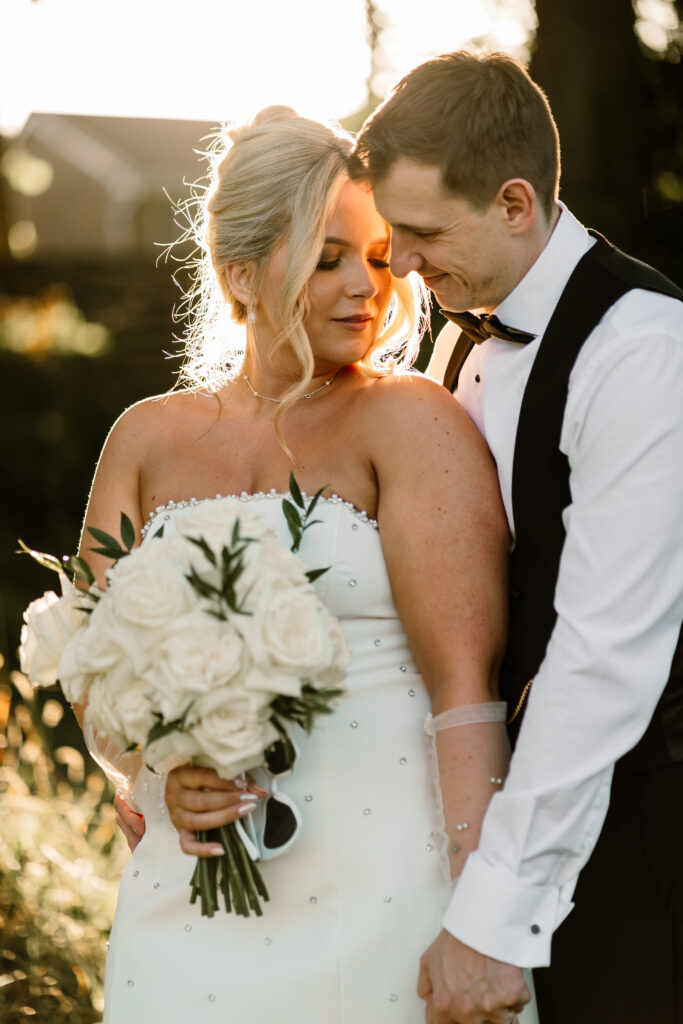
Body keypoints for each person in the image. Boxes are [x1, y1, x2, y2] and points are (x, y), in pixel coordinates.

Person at [78, 107, 535, 1023]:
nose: (366, 287)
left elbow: (464, 689)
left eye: (376, 257)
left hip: (386, 885)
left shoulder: (412, 421)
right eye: (328, 257)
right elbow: (95, 673)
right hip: (190, 885)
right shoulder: (145, 438)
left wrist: (482, 919)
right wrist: (158, 772)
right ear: (239, 272)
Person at [351, 49, 683, 1024]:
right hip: (473, 831)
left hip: (628, 847)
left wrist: (493, 915)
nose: (398, 264)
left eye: (418, 231)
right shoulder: (452, 331)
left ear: (511, 202)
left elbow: (598, 662)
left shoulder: (642, 352)